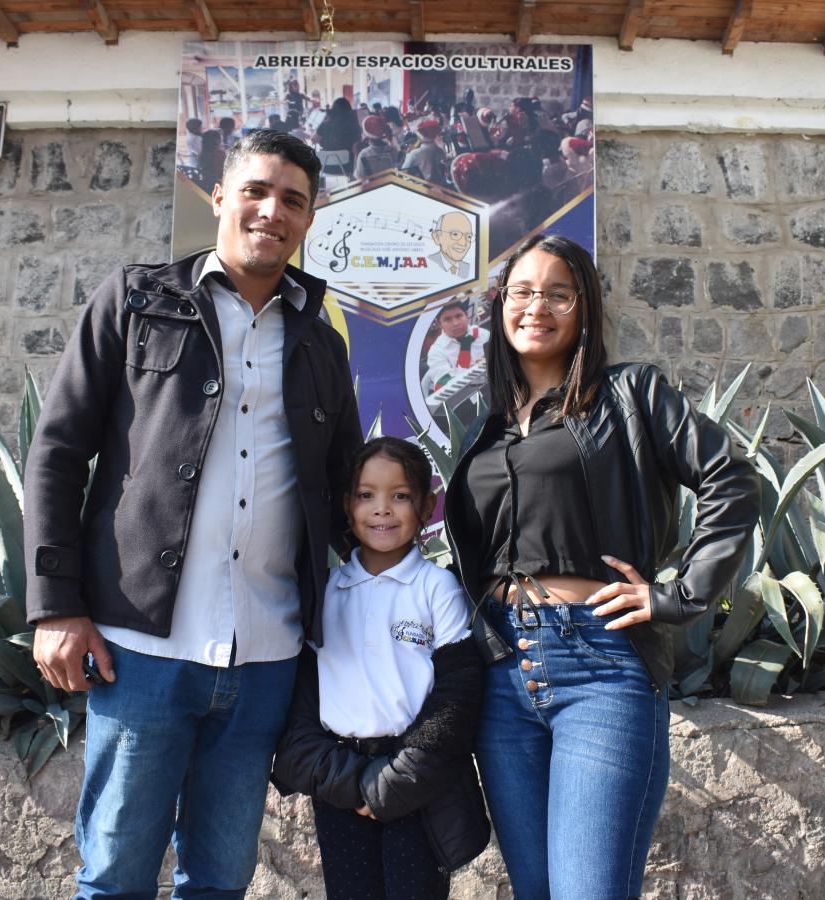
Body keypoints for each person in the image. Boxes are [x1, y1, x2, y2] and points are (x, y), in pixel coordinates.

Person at [24, 129, 363, 898]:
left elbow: (342, 483)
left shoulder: (320, 340)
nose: (271, 211)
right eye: (255, 190)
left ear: (309, 221)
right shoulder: (136, 299)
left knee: (220, 880)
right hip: (139, 649)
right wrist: (56, 607)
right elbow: (57, 452)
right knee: (114, 877)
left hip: (266, 657)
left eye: (293, 201)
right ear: (218, 196)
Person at [444, 234, 760, 900]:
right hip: (504, 675)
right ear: (501, 305)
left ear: (584, 308)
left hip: (601, 664)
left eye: (559, 293)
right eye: (524, 292)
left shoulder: (630, 395)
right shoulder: (487, 425)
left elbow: (732, 480)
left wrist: (680, 597)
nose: (539, 307)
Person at [273, 437, 490, 900]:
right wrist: (349, 783)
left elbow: (458, 692)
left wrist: (394, 783)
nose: (382, 510)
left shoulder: (436, 588)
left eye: (401, 496)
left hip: (415, 780)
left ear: (427, 505)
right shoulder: (327, 589)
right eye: (367, 495)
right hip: (339, 783)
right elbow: (305, 695)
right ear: (347, 506)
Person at [426, 299, 487, 394]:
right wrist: (476, 369)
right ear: (439, 324)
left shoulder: (482, 334)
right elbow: (444, 388)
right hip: (466, 401)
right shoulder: (436, 352)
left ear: (466, 315)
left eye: (459, 316)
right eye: (447, 319)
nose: (455, 323)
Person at [427, 211, 473, 278]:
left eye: (469, 236)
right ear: (437, 237)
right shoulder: (428, 263)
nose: (463, 243)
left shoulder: (470, 269)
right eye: (455, 234)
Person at [353, 114, 396, 179]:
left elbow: (359, 177)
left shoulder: (364, 154)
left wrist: (356, 156)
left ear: (366, 134)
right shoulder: (393, 149)